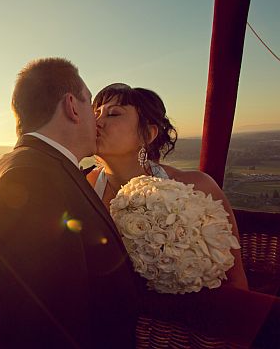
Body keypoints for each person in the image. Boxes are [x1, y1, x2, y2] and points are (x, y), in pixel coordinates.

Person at [0, 59, 140, 348]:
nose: (96, 121)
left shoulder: (41, 166)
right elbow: (31, 326)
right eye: (90, 107)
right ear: (72, 106)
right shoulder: (32, 180)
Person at [86, 83, 249, 290]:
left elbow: (235, 277)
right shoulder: (84, 187)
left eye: (113, 114)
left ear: (147, 134)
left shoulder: (196, 188)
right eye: (95, 114)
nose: (97, 122)